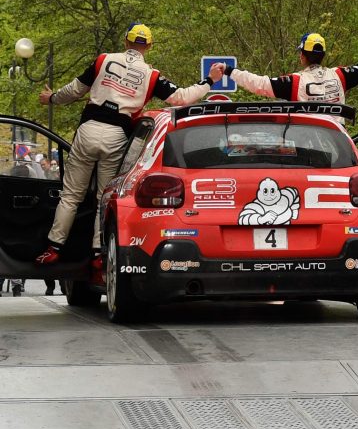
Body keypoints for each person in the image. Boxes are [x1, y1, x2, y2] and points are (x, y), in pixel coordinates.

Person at [35, 23, 224, 267]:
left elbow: (73, 90)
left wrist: (51, 98)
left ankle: (53, 248)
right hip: (116, 136)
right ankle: (97, 256)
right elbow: (182, 97)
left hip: (88, 129)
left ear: (126, 42)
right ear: (150, 47)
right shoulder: (152, 75)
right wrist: (210, 80)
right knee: (104, 197)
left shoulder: (103, 60)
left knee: (71, 196)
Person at [218, 28, 358, 106]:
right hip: (338, 145)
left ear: (302, 56)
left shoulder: (294, 82)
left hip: (308, 145)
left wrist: (229, 70)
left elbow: (258, 84)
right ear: (323, 56)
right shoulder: (340, 75)